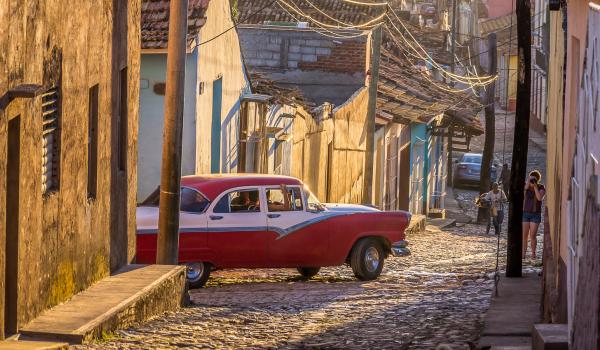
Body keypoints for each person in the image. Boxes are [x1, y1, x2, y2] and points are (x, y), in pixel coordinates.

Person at [522, 170, 546, 260]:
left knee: (532, 235)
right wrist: (528, 183)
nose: (532, 181)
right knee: (524, 235)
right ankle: (523, 253)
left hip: (535, 214)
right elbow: (523, 193)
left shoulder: (541, 187)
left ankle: (533, 253)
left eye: (534, 179)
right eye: (531, 178)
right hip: (525, 213)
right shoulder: (526, 186)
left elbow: (539, 198)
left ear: (538, 180)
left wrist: (535, 187)